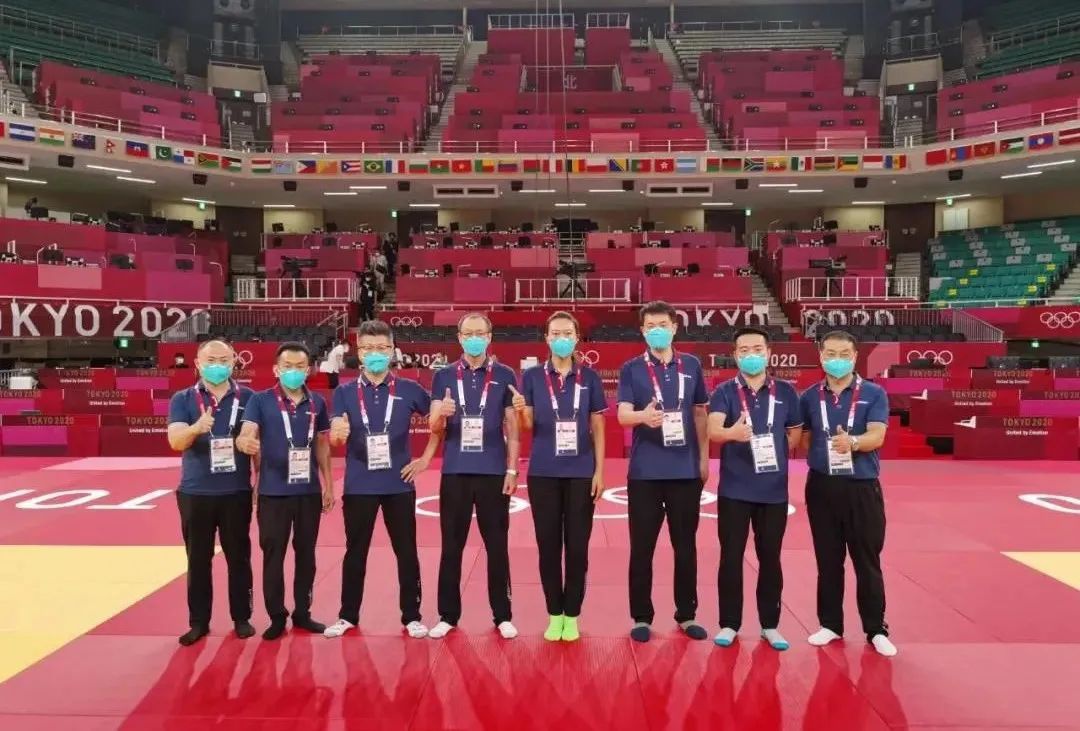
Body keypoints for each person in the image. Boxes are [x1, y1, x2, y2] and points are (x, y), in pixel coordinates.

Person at [324, 320, 441, 640]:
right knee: (355, 551)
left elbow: (438, 423)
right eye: (368, 348)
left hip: (398, 484)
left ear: (392, 351)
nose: (375, 353)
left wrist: (425, 458)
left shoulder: (410, 390)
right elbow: (336, 436)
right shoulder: (345, 392)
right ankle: (347, 615)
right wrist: (337, 434)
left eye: (381, 348)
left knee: (406, 551)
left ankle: (412, 616)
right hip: (359, 486)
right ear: (359, 353)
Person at [616, 300, 710, 643]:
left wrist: (703, 459)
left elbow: (699, 413)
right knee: (642, 547)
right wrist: (643, 416)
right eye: (650, 326)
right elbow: (622, 415)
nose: (657, 331)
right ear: (642, 331)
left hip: (685, 471)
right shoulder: (631, 368)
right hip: (645, 473)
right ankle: (641, 616)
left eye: (663, 325)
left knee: (685, 547)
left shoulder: (692, 365)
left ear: (674, 327)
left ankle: (687, 614)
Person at [799, 330, 896, 657]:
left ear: (855, 357)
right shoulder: (809, 397)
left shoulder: (874, 394)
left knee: (867, 561)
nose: (836, 360)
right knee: (828, 560)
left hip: (861, 486)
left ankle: (876, 628)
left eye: (843, 354)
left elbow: (877, 436)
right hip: (822, 486)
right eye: (830, 354)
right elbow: (804, 439)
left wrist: (852, 442)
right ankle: (830, 624)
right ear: (821, 356)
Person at [513, 311, 607, 642]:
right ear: (547, 338)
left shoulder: (590, 377)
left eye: (568, 333)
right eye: (556, 333)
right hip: (543, 473)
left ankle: (572, 614)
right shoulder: (532, 377)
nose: (562, 338)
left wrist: (599, 471)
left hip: (581, 473)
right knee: (548, 547)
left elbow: (598, 425)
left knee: (577, 548)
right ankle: (554, 614)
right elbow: (527, 426)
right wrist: (521, 410)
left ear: (577, 337)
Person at [707, 327, 802, 651]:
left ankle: (770, 625)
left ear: (768, 353)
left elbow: (795, 435)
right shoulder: (724, 392)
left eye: (757, 349)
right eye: (744, 350)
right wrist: (731, 434)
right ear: (735, 355)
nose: (751, 355)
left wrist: (774, 448)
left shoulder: (786, 392)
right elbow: (714, 430)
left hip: (773, 492)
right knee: (731, 558)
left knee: (770, 558)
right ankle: (729, 623)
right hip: (734, 490)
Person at [428, 313, 520, 640]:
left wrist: (512, 469)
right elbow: (434, 426)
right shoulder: (443, 376)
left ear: (490, 336)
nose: (474, 338)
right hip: (455, 472)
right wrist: (441, 414)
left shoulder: (505, 374)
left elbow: (513, 428)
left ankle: (503, 615)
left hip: (493, 472)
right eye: (468, 333)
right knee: (451, 546)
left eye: (480, 333)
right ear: (459, 337)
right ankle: (447, 615)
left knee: (497, 546)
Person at [236, 342, 334, 640]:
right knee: (273, 555)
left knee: (306, 554)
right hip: (273, 493)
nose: (294, 371)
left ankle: (303, 612)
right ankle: (277, 616)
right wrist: (245, 441)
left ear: (309, 370)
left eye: (300, 367)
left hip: (308, 492)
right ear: (277, 369)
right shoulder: (260, 401)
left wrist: (329, 485)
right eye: (287, 366)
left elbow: (322, 445)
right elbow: (248, 432)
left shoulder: (317, 402)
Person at [166, 339, 254, 646]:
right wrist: (196, 428)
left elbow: (255, 443)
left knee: (239, 557)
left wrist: (258, 481)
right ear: (198, 364)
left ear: (234, 362)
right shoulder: (183, 398)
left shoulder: (248, 397)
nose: (218, 365)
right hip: (195, 492)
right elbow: (175, 441)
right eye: (211, 360)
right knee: (198, 560)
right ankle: (198, 622)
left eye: (224, 360)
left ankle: (242, 618)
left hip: (236, 490)